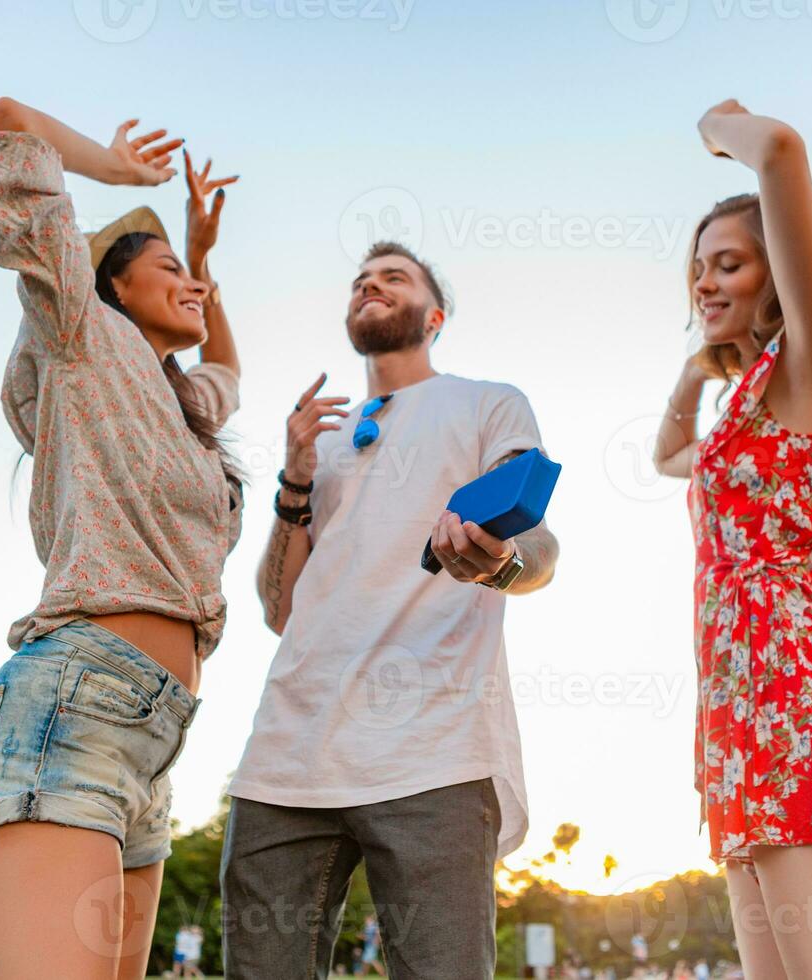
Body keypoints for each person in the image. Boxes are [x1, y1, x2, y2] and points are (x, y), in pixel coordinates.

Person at [0, 97, 244, 980]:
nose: (198, 288)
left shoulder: (185, 411)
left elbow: (228, 371)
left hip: (153, 746)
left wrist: (203, 251)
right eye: (173, 269)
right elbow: (7, 121)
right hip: (67, 716)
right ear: (113, 285)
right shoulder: (80, 334)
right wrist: (114, 169)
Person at [220, 241, 560, 977]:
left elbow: (536, 539)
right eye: (360, 281)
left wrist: (502, 568)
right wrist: (295, 480)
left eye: (393, 278)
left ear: (433, 315)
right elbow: (280, 608)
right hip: (288, 752)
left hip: (431, 748)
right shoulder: (326, 438)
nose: (370, 285)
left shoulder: (485, 402)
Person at [654, 99, 812, 979]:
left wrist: (716, 122)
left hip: (808, 715)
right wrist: (695, 372)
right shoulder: (745, 417)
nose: (704, 284)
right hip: (739, 732)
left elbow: (780, 149)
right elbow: (667, 458)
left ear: (785, 276)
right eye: (697, 270)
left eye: (728, 264)